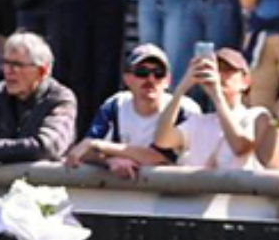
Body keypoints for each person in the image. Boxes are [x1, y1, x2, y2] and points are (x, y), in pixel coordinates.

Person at [65, 43, 189, 179]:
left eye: (159, 73)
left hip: (175, 193)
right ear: (127, 78)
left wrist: (100, 145)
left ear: (167, 81)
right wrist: (109, 161)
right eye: (142, 72)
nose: (150, 79)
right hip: (124, 195)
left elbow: (161, 158)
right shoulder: (115, 105)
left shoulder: (183, 108)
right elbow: (84, 150)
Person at [0, 31, 79, 172]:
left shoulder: (61, 98)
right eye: (5, 63)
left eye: (17, 65)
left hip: (47, 186)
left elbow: (46, 147)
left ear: (41, 71)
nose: (8, 71)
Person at [157, 47, 272, 171]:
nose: (220, 75)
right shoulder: (198, 122)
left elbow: (240, 147)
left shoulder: (256, 115)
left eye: (227, 70)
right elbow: (161, 140)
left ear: (245, 82)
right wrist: (182, 88)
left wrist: (217, 95)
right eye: (215, 70)